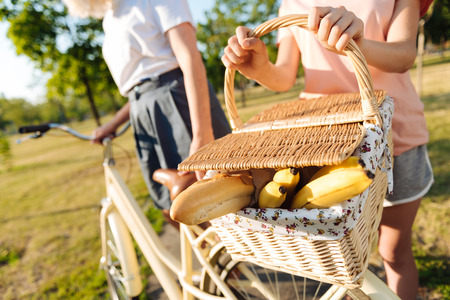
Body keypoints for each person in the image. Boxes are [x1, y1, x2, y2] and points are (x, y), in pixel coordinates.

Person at [221, 0, 434, 299]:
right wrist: (259, 68)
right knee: (340, 262)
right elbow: (283, 76)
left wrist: (359, 43)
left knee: (394, 252)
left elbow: (403, 54)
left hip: (394, 134)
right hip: (325, 148)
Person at [62, 0, 231, 227]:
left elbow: (190, 60)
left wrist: (201, 134)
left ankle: (240, 256)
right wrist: (113, 123)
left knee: (212, 197)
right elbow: (140, 85)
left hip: (179, 101)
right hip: (141, 110)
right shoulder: (111, 16)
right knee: (169, 205)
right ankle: (213, 260)